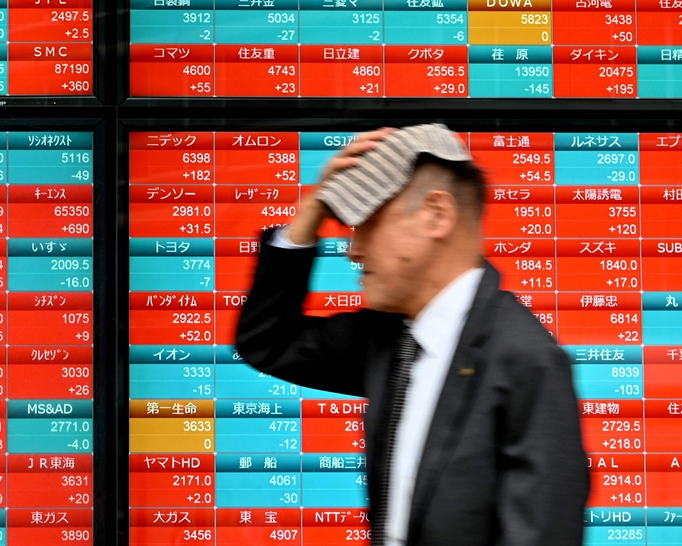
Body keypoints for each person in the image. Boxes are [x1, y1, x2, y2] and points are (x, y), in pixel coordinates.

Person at [235, 124, 588, 546]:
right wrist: (309, 214)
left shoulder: (525, 360)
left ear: (436, 214)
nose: (353, 249)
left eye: (366, 223)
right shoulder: (389, 337)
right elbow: (268, 341)